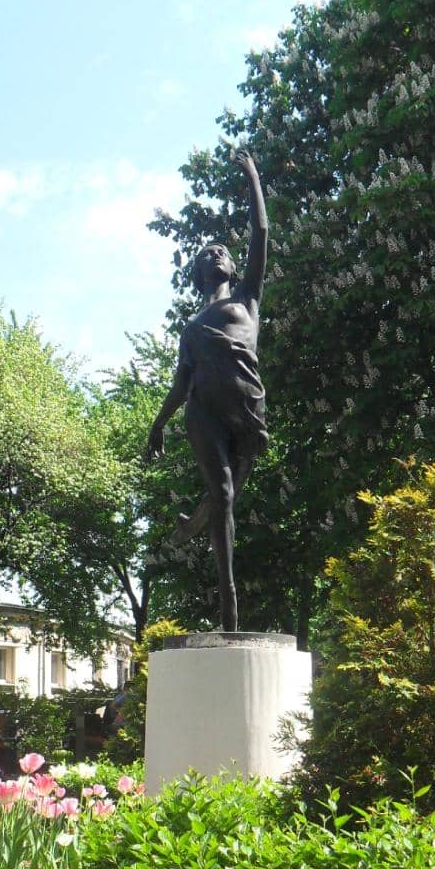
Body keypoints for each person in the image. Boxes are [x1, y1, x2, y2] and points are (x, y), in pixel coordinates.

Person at [145, 149, 268, 632]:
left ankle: (200, 537)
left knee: (231, 491)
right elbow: (181, 381)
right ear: (198, 273)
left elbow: (261, 233)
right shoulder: (192, 325)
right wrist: (158, 423)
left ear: (234, 269)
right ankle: (228, 603)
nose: (213, 253)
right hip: (202, 413)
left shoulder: (247, 299)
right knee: (221, 495)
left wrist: (252, 176)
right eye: (204, 255)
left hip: (244, 406)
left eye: (221, 251)